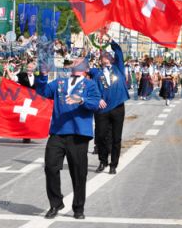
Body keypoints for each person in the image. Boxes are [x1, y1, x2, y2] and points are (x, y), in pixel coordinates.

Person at [35, 58, 100, 220]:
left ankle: (78, 207)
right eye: (74, 60)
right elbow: (42, 92)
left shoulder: (90, 84)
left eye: (79, 60)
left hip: (79, 134)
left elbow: (95, 103)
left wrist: (82, 100)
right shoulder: (60, 82)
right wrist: (42, 75)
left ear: (85, 67)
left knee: (78, 173)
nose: (76, 61)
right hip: (58, 132)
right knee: (50, 167)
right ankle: (56, 203)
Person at [90, 39, 130, 175]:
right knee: (101, 136)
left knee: (116, 137)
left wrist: (110, 41)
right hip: (102, 109)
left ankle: (113, 164)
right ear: (101, 61)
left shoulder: (118, 67)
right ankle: (103, 161)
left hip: (118, 107)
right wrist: (98, 99)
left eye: (108, 55)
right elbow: (93, 89)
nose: (105, 57)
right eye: (103, 56)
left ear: (112, 59)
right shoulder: (97, 74)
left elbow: (118, 51)